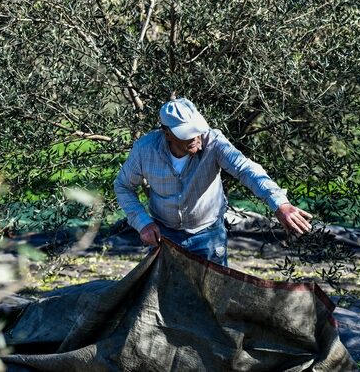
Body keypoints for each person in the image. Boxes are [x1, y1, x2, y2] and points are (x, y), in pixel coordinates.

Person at [114, 97, 312, 266]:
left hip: (208, 235)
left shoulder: (214, 141)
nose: (195, 137)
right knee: (164, 298)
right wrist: (143, 223)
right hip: (164, 236)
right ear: (167, 133)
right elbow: (123, 186)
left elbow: (246, 169)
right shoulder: (145, 150)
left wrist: (279, 203)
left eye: (197, 130)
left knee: (212, 300)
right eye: (186, 133)